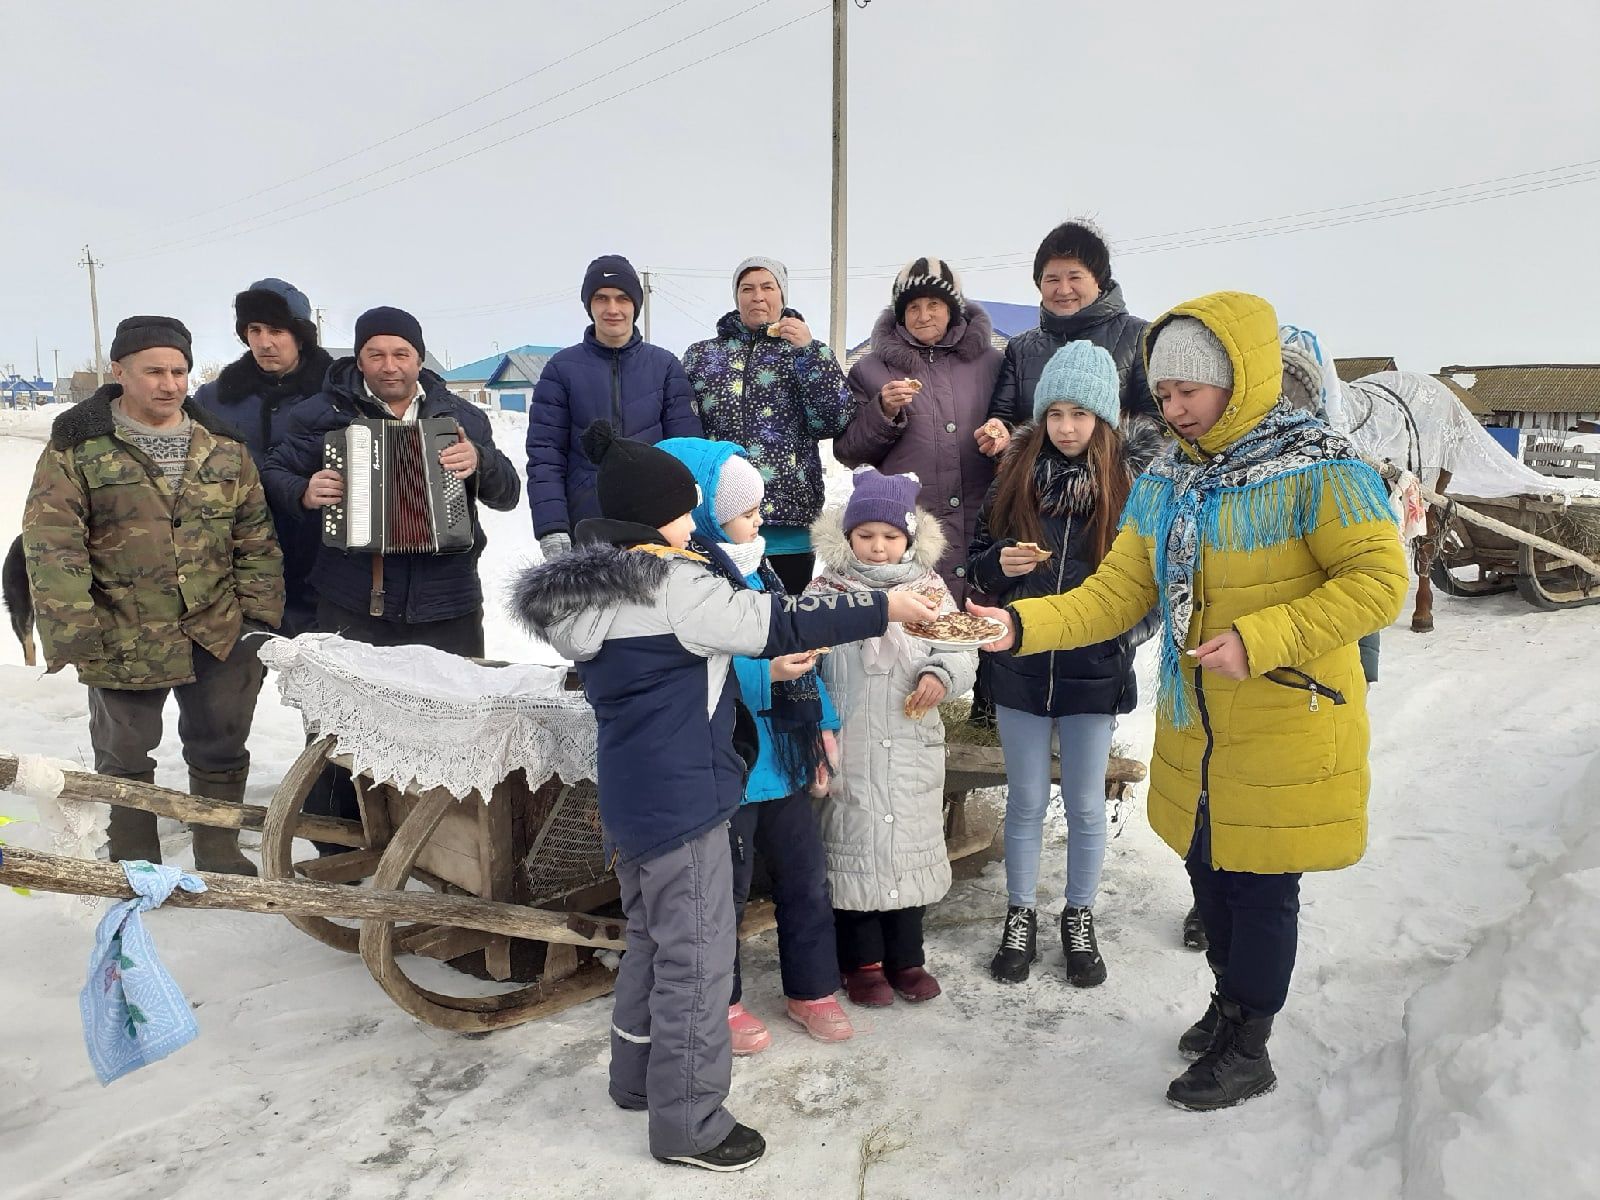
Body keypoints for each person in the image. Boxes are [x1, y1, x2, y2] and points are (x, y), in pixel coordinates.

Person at [968, 292, 1407, 1111]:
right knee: (1207, 871)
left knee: (1260, 887)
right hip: (1196, 722)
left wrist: (1263, 637)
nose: (1172, 410)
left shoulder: (1324, 470)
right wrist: (1018, 626)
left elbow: (1382, 583)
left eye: (1187, 394)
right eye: (1162, 395)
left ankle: (1251, 1042)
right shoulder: (1168, 475)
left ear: (1238, 379)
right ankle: (1228, 1000)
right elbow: (1115, 593)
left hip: (1286, 715)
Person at [511, 422, 935, 1172]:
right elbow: (774, 623)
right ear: (664, 515)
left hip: (634, 801)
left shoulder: (591, 593)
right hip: (689, 800)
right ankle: (691, 1122)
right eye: (687, 508)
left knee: (651, 941)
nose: (695, 520)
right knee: (699, 962)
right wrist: (886, 610)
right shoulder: (674, 586)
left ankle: (637, 1079)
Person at [23, 315, 284, 875]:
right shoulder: (79, 448)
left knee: (221, 746)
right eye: (154, 372)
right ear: (119, 372)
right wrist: (74, 633)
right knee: (125, 755)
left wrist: (257, 622)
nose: (169, 384)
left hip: (215, 630)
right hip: (122, 631)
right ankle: (134, 857)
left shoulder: (224, 449)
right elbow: (52, 546)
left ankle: (218, 849)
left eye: (180, 371)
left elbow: (255, 537)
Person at [966, 342, 1163, 987]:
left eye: (1081, 414)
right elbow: (975, 564)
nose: (1067, 427)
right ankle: (1019, 913)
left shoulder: (1133, 487)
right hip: (1020, 670)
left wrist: (1121, 640)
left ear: (1103, 419)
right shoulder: (1014, 474)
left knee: (1083, 804)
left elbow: (1153, 587)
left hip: (1094, 673)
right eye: (1055, 413)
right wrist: (1000, 565)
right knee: (1024, 801)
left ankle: (1079, 917)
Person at [659, 436, 854, 1054]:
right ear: (707, 513)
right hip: (733, 768)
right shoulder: (688, 578)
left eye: (759, 506)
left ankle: (812, 987)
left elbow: (802, 652)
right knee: (728, 890)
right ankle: (725, 998)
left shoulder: (759, 566)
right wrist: (766, 673)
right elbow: (696, 667)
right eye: (746, 510)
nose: (759, 518)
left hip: (786, 759)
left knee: (805, 879)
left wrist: (822, 724)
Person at [806, 467, 977, 1006]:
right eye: (866, 536)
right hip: (849, 746)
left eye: (890, 537)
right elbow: (803, 658)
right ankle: (860, 962)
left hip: (909, 746)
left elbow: (958, 647)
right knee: (853, 849)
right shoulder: (824, 594)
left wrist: (940, 675)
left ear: (908, 539)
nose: (878, 548)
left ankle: (907, 958)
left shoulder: (930, 593)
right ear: (848, 538)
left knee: (906, 849)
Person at [263, 305, 520, 657]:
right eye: (376, 355)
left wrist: (480, 460)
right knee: (352, 710)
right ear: (359, 361)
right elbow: (273, 474)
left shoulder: (464, 418)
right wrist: (304, 492)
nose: (389, 366)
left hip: (449, 604)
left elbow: (509, 494)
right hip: (352, 600)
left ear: (419, 359)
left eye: (401, 354)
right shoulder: (321, 414)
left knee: (453, 708)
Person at [835, 257, 1003, 606]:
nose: (923, 315)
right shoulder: (870, 370)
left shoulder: (991, 362)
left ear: (953, 309)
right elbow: (849, 451)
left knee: (983, 637)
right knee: (916, 639)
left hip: (985, 526)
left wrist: (1004, 435)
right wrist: (883, 411)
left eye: (934, 304)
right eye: (913, 306)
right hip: (908, 533)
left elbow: (1020, 427)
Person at [682, 257, 854, 593]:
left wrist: (809, 352)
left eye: (767, 287)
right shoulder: (702, 355)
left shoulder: (806, 351)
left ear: (782, 295)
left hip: (789, 524)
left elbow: (834, 419)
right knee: (728, 630)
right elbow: (686, 431)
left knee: (787, 629)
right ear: (736, 297)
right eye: (747, 288)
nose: (757, 296)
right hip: (720, 522)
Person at [526, 255, 700, 560]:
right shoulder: (561, 369)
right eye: (601, 298)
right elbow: (545, 456)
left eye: (622, 298)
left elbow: (685, 450)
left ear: (635, 304)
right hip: (587, 527)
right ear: (589, 305)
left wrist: (686, 516)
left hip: (655, 527)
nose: (612, 309)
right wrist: (552, 526)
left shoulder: (664, 366)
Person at [194, 277, 333, 636]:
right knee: (238, 679)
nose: (264, 342)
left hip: (323, 566)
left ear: (300, 335)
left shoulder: (336, 394)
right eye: (254, 330)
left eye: (277, 330)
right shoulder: (215, 400)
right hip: (241, 567)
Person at [979, 219, 1157, 462]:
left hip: (1116, 490)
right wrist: (999, 432)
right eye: (1052, 279)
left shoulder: (1139, 337)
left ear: (1099, 280)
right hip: (1037, 492)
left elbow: (1158, 421)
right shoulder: (1020, 349)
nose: (1063, 290)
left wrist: (1103, 459)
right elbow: (1005, 417)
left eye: (1075, 277)